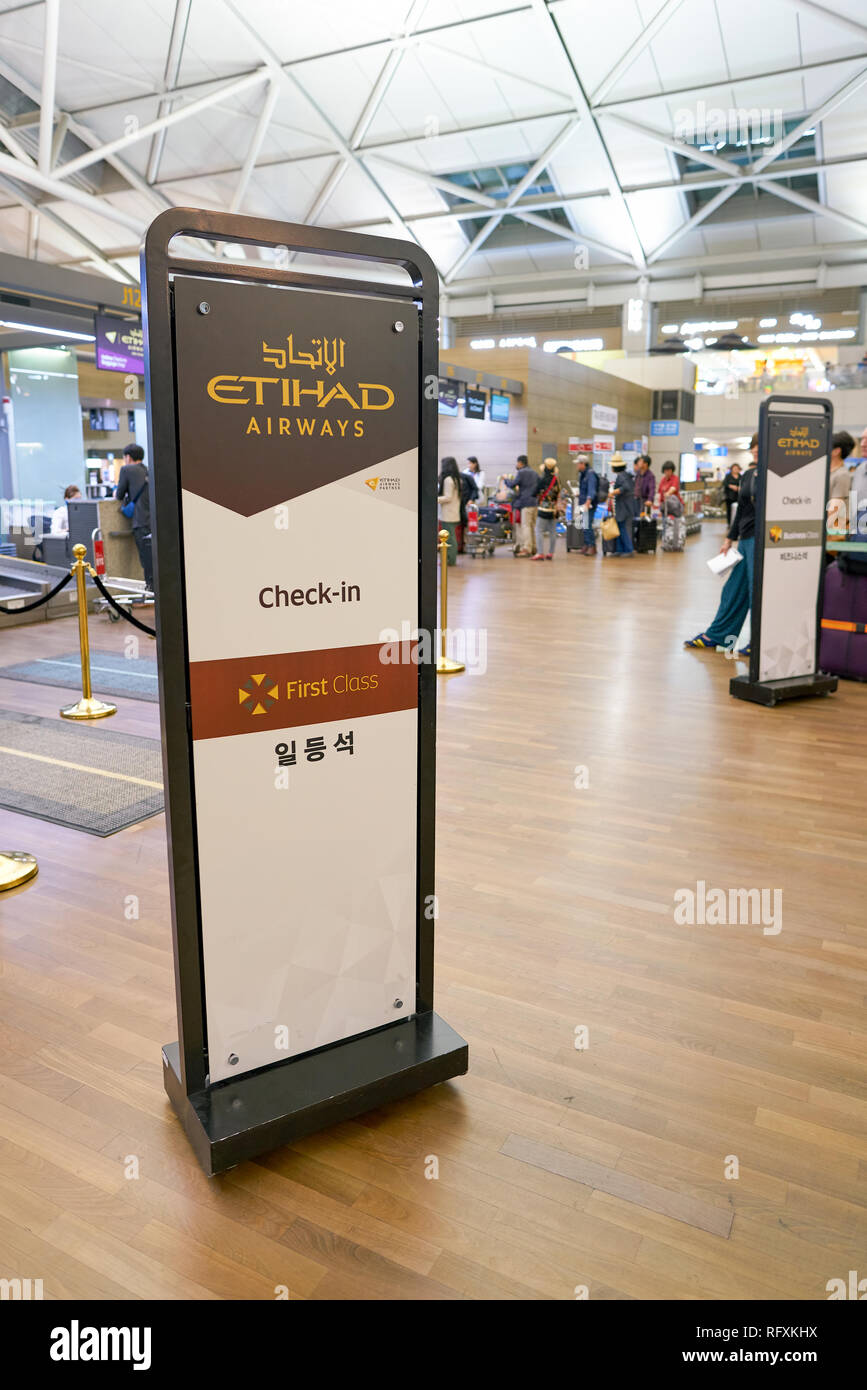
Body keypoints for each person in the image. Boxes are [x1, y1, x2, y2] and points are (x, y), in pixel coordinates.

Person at [685, 433, 759, 654]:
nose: (756, 450)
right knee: (733, 589)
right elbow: (742, 510)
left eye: (760, 446)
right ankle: (719, 636)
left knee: (758, 592)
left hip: (763, 540)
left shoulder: (777, 476)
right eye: (754, 446)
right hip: (745, 540)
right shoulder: (748, 475)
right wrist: (729, 539)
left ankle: (760, 642)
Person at [115, 444, 153, 590]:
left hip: (140, 521)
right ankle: (154, 587)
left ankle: (150, 588)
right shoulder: (148, 470)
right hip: (152, 521)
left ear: (128, 457)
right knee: (153, 556)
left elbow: (119, 494)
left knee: (145, 558)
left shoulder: (126, 470)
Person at [506, 454, 540, 557]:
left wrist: (506, 479)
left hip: (525, 503)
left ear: (520, 463)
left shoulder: (521, 472)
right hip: (535, 503)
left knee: (525, 526)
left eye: (517, 463)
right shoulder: (535, 473)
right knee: (532, 526)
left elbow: (512, 485)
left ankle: (526, 548)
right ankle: (533, 547)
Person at [827, 430, 856, 535]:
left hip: (831, 534)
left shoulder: (842, 475)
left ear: (836, 451)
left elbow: (834, 510)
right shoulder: (828, 472)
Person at [533, 458, 560, 561]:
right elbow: (559, 492)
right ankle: (551, 553)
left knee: (539, 530)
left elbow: (535, 491)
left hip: (543, 509)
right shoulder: (556, 480)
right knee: (553, 531)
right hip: (554, 510)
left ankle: (540, 553)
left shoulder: (542, 479)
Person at [609, 452, 635, 557]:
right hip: (625, 506)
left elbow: (625, 488)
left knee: (622, 528)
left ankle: (628, 550)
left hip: (623, 507)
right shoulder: (625, 475)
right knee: (619, 527)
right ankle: (620, 549)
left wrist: (613, 493)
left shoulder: (621, 476)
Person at [437, 456, 461, 565]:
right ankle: (449, 559)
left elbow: (448, 497)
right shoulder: (456, 479)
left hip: (448, 514)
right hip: (454, 513)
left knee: (449, 539)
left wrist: (435, 499)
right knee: (451, 537)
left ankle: (450, 561)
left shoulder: (448, 479)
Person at [576, 454, 598, 555]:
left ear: (583, 464)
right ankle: (587, 544)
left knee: (587, 525)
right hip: (583, 503)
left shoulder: (590, 474)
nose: (577, 466)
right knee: (584, 525)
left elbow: (591, 489)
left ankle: (592, 546)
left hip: (589, 504)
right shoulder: (583, 474)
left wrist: (588, 502)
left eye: (578, 464)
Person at [457, 466, 479, 554]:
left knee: (467, 525)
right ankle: (460, 545)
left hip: (467, 504)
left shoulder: (466, 477)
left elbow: (475, 489)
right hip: (458, 505)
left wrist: (471, 499)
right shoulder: (450, 478)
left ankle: (466, 545)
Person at [722, 462, 741, 527]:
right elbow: (725, 484)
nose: (736, 470)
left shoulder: (741, 476)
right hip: (729, 496)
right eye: (734, 468)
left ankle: (736, 524)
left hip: (738, 496)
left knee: (738, 510)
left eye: (737, 468)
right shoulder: (728, 476)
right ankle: (729, 523)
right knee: (729, 510)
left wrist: (738, 488)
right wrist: (731, 486)